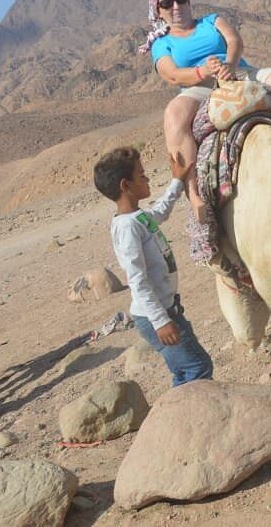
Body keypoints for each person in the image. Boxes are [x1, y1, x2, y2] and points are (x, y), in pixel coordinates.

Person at [138, 0, 271, 220]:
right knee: (173, 116)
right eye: (167, 3)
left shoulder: (212, 21)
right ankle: (194, 195)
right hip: (198, 86)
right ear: (158, 11)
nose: (176, 6)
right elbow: (171, 75)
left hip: (239, 71)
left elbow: (235, 41)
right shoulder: (162, 43)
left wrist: (229, 66)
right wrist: (204, 72)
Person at [94, 147, 213, 386]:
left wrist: (177, 181)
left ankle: (175, 416)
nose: (147, 179)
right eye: (142, 175)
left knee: (182, 371)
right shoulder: (127, 228)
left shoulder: (138, 218)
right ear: (125, 185)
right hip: (155, 316)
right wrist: (160, 321)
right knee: (198, 366)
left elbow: (161, 210)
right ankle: (185, 419)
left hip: (168, 309)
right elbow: (137, 280)